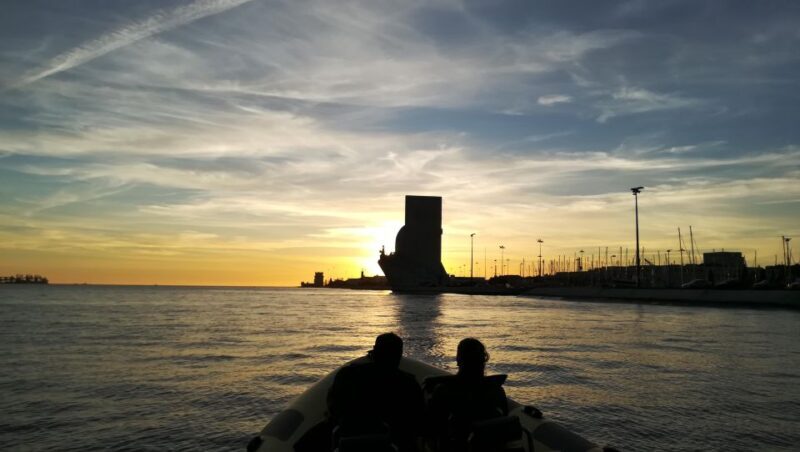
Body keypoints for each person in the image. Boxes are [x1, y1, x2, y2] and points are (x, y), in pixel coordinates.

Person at [327, 333, 424, 452]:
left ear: (375, 352)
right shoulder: (409, 383)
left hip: (348, 438)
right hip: (391, 443)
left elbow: (333, 406)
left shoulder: (347, 374)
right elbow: (418, 419)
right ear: (398, 356)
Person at [426, 338, 509, 451]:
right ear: (483, 361)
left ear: (458, 361)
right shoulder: (497, 391)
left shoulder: (444, 392)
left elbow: (431, 429)